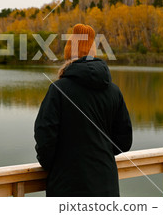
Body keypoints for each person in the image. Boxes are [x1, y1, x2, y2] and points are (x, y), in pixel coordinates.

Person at [34, 23, 133, 197]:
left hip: (67, 188)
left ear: (68, 55)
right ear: (92, 54)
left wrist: (55, 166)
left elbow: (44, 136)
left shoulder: (58, 90)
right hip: (106, 186)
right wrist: (100, 154)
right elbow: (124, 141)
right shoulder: (113, 91)